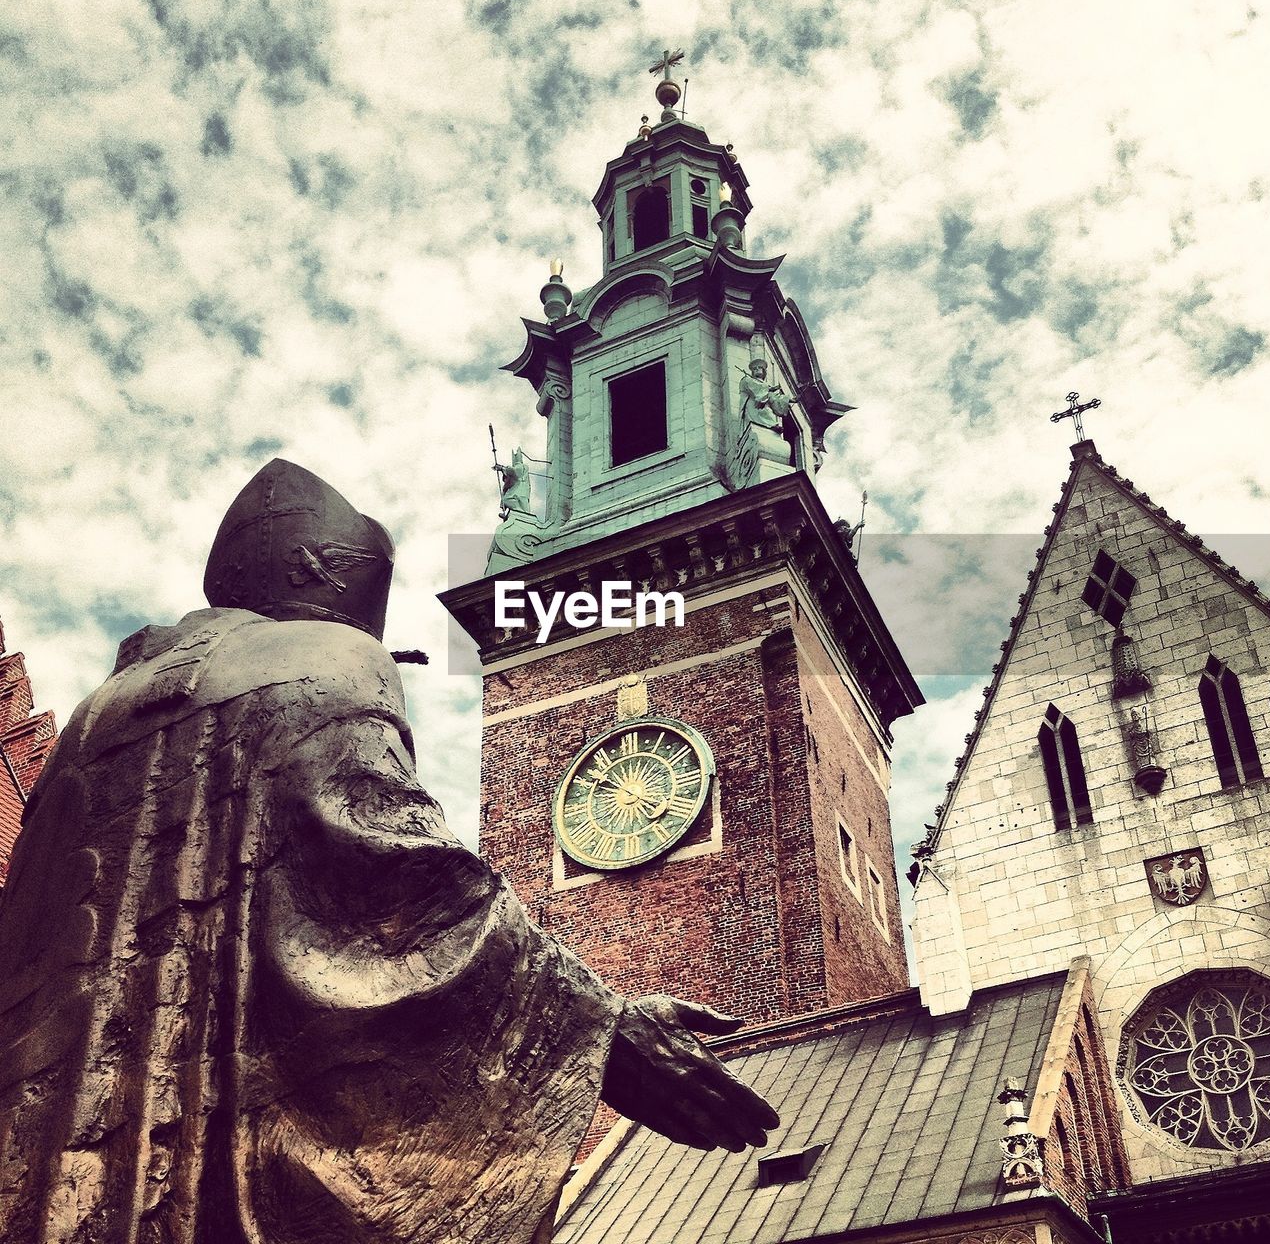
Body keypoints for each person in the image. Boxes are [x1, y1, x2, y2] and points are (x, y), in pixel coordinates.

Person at [0, 459, 777, 1244]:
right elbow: (395, 879)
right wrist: (600, 1026)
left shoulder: (92, 722)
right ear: (323, 580)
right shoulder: (324, 659)